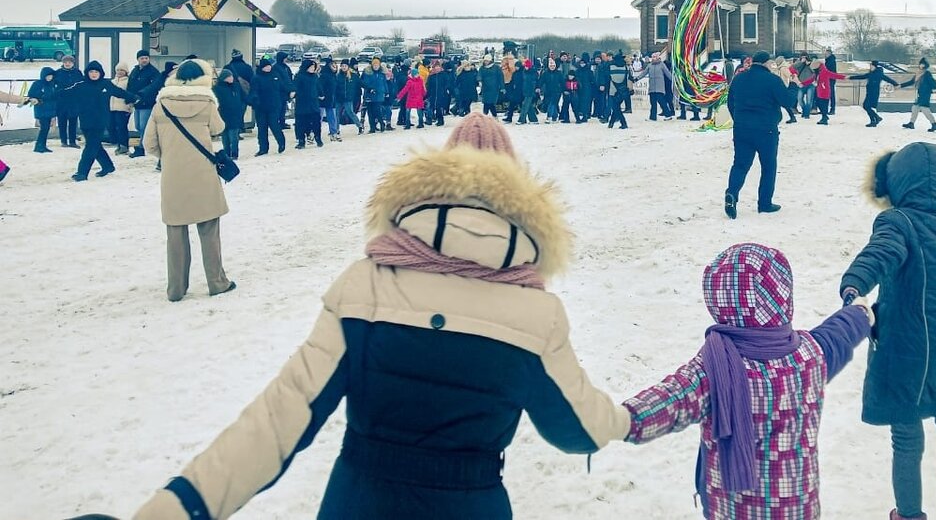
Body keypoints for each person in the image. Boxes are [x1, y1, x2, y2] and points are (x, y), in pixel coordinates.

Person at [131, 113, 629, 519]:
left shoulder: (367, 285)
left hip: (360, 500)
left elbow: (278, 420)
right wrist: (630, 418)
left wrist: (176, 509)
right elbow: (577, 430)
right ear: (521, 202)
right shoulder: (536, 314)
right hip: (470, 502)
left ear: (431, 184)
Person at [621, 243, 872, 520]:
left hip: (732, 510)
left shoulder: (714, 368)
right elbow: (841, 331)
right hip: (798, 507)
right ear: (783, 294)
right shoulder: (811, 353)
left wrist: (618, 418)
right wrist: (862, 312)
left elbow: (673, 398)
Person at [841, 144, 936, 520]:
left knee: (907, 437)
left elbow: (879, 253)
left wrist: (854, 286)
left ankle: (909, 516)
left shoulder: (898, 223)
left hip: (905, 347)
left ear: (899, 182)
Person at [142, 59, 235, 303]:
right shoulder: (207, 103)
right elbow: (219, 128)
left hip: (173, 176)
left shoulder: (161, 104)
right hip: (203, 173)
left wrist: (171, 155)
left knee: (175, 233)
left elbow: (149, 143)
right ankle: (217, 282)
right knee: (209, 231)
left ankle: (176, 288)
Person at [724, 51, 792, 218]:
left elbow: (730, 102)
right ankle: (764, 203)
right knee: (768, 167)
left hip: (741, 129)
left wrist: (738, 120)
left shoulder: (738, 79)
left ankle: (731, 194)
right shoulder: (772, 80)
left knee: (740, 165)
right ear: (766, 63)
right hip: (766, 130)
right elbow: (789, 101)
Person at [64, 61, 138, 181]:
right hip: (85, 120)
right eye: (91, 72)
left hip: (100, 120)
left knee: (90, 146)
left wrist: (134, 98)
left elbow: (120, 92)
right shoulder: (81, 85)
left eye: (96, 72)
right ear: (87, 73)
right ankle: (108, 166)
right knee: (95, 145)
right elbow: (63, 94)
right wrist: (38, 98)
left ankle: (82, 172)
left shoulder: (105, 84)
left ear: (100, 73)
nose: (93, 74)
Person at [849, 60, 903, 127]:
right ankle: (875, 119)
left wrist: (896, 84)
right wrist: (850, 77)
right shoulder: (871, 73)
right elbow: (862, 76)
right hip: (869, 92)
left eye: (871, 66)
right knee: (867, 106)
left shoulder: (879, 74)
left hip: (874, 93)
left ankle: (875, 119)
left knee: (866, 106)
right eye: (870, 66)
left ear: (875, 66)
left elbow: (888, 79)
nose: (870, 67)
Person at [250, 57, 287, 156]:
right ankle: (263, 148)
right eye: (266, 67)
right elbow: (253, 91)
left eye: (269, 66)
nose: (268, 68)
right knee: (262, 128)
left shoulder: (275, 76)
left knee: (274, 125)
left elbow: (283, 87)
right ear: (261, 68)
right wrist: (254, 100)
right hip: (261, 107)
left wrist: (288, 94)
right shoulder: (256, 78)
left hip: (274, 105)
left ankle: (281, 143)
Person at [900, 58, 936, 132]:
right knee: (915, 107)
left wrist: (934, 88)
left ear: (925, 65)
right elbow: (911, 82)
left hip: (925, 93)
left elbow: (933, 82)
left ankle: (934, 124)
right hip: (920, 93)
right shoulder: (918, 73)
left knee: (925, 109)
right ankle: (911, 123)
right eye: (920, 64)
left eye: (923, 64)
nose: (921, 65)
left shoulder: (927, 73)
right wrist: (901, 85)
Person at [214, 69, 246, 159]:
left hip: (235, 115)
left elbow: (243, 97)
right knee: (225, 137)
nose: (231, 78)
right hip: (223, 115)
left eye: (231, 76)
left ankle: (234, 154)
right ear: (224, 78)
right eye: (229, 77)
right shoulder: (217, 89)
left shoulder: (236, 86)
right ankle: (227, 153)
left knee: (234, 136)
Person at [53, 54, 84, 148]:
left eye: (69, 62)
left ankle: (72, 141)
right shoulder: (58, 72)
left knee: (73, 122)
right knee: (62, 122)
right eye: (65, 62)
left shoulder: (77, 72)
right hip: (61, 101)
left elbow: (81, 85)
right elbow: (54, 86)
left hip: (74, 101)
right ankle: (63, 141)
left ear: (73, 63)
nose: (67, 64)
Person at [293, 58, 324, 148]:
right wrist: (293, 94)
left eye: (313, 67)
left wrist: (321, 94)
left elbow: (318, 86)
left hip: (313, 103)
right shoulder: (299, 76)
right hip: (302, 103)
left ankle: (318, 138)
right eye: (311, 67)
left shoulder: (315, 76)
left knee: (316, 122)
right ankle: (301, 140)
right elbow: (294, 87)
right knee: (301, 123)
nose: (312, 69)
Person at [28, 66, 58, 152]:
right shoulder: (38, 84)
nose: (49, 78)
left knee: (46, 128)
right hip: (41, 109)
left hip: (50, 110)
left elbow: (54, 97)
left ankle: (42, 145)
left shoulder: (52, 85)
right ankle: (38, 146)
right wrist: (40, 98)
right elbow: (31, 95)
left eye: (51, 76)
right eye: (47, 76)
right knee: (44, 128)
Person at [109, 61, 133, 154]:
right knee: (114, 126)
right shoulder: (113, 81)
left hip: (123, 108)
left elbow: (130, 94)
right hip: (113, 107)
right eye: (118, 70)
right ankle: (118, 144)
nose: (119, 72)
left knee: (122, 127)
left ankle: (124, 146)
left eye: (122, 70)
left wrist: (130, 106)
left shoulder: (128, 81)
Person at [813, 57, 845, 126]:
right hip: (820, 91)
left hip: (825, 91)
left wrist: (843, 77)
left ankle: (824, 119)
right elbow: (812, 79)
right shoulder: (818, 71)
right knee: (819, 103)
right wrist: (803, 83)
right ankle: (824, 117)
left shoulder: (824, 71)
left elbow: (834, 75)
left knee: (823, 105)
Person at [643, 52, 672, 120]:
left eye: (655, 57)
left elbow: (667, 73)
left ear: (658, 57)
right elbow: (644, 73)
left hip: (660, 87)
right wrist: (636, 78)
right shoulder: (650, 65)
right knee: (653, 103)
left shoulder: (662, 65)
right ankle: (653, 117)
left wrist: (673, 80)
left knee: (662, 101)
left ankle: (668, 115)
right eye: (653, 57)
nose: (654, 58)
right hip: (652, 87)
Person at [319, 58, 341, 142]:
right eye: (333, 65)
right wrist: (321, 94)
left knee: (332, 117)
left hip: (332, 99)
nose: (335, 66)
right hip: (323, 98)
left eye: (335, 65)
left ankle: (333, 133)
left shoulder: (334, 75)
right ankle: (314, 133)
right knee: (319, 117)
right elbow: (320, 86)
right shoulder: (324, 75)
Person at [606, 57, 630, 129]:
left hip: (613, 90)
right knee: (616, 107)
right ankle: (611, 123)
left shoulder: (611, 67)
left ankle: (623, 123)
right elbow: (628, 78)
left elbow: (607, 77)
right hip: (623, 90)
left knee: (615, 107)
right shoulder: (625, 67)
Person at [478, 53, 503, 117]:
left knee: (491, 103)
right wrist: (479, 81)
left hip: (494, 88)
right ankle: (490, 116)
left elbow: (500, 77)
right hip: (485, 88)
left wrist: (502, 87)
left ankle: (486, 116)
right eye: (485, 61)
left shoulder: (496, 68)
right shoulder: (482, 68)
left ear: (490, 61)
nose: (486, 62)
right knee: (486, 103)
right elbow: (479, 75)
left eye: (487, 61)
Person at [824, 47, 839, 114]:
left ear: (829, 53)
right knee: (829, 94)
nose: (825, 54)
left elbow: (830, 71)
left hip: (830, 79)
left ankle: (832, 109)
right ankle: (830, 109)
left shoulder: (830, 61)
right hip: (830, 79)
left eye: (827, 53)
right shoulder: (829, 60)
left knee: (831, 94)